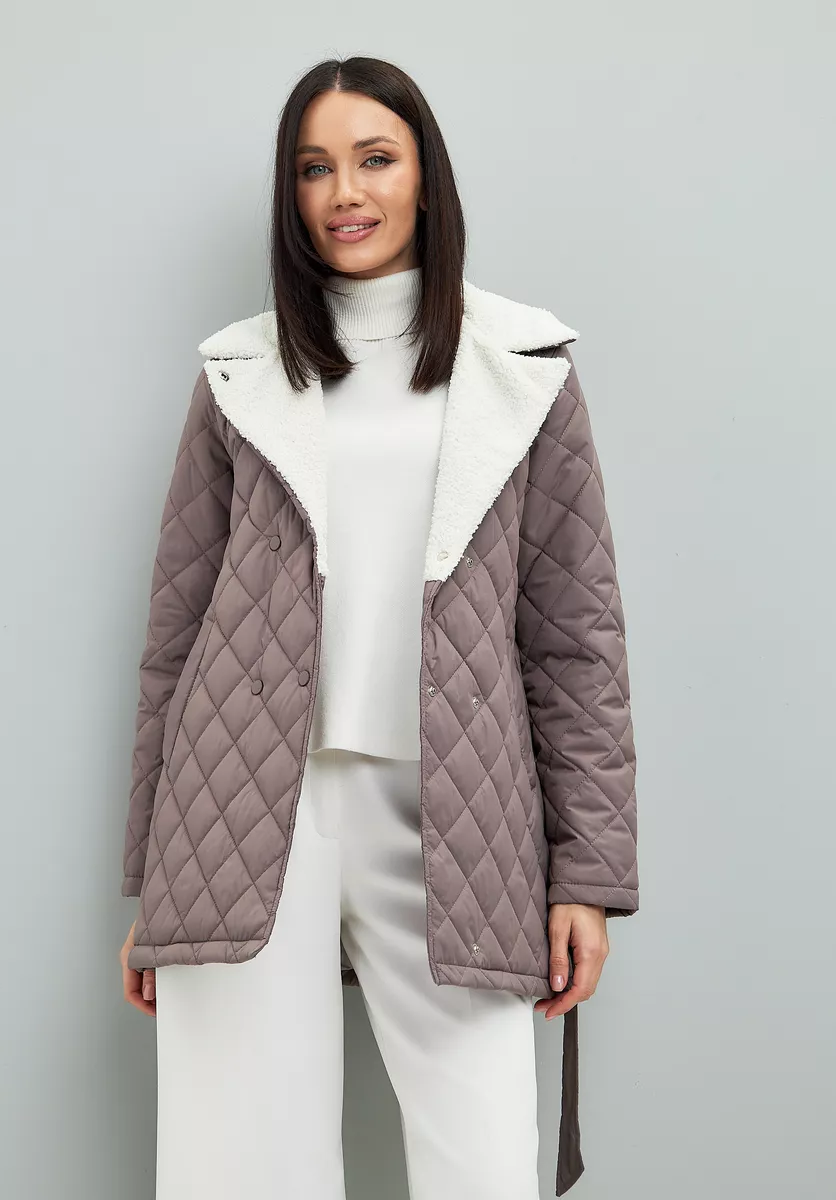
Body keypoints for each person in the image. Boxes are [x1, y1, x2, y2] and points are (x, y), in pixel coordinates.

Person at [118, 54, 639, 1200]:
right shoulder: (239, 371)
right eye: (314, 168)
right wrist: (157, 883)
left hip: (458, 804)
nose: (345, 192)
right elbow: (177, 637)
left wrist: (587, 879)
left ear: (425, 179)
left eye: (374, 159)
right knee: (238, 1166)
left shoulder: (524, 369)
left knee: (483, 1162)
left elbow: (577, 644)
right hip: (247, 805)